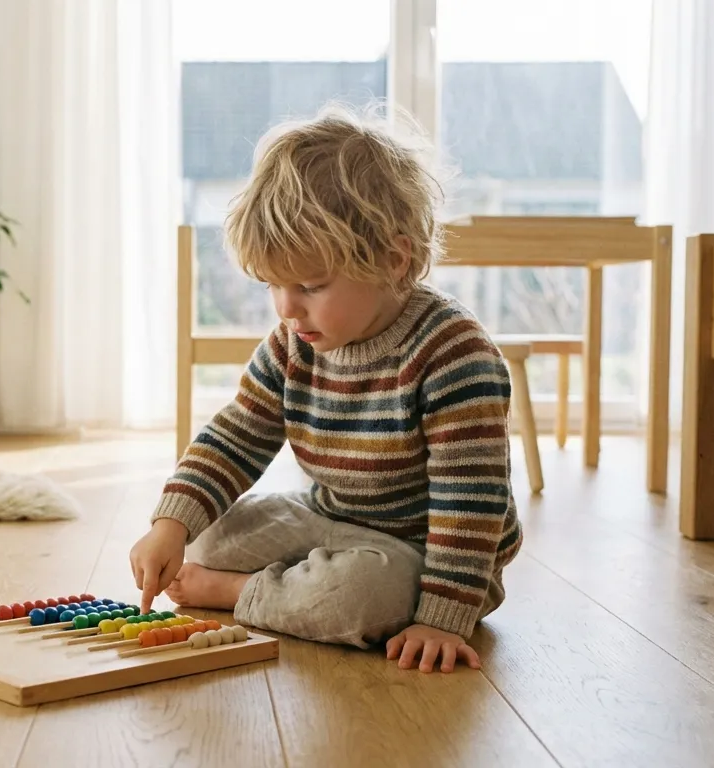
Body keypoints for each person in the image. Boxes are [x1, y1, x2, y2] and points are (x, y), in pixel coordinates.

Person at [129, 102, 522, 674]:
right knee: (204, 536)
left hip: (431, 554)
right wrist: (170, 525)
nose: (288, 308)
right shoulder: (293, 342)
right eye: (273, 285)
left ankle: (239, 593)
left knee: (354, 597)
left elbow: (471, 502)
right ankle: (269, 582)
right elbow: (236, 435)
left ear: (393, 260)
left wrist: (442, 616)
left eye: (310, 285)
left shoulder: (454, 353)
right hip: (331, 515)